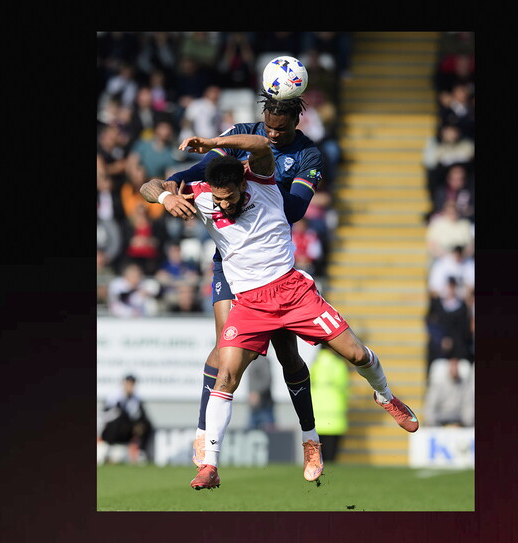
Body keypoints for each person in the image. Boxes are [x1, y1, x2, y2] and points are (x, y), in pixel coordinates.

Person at [141, 133, 419, 490]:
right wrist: (165, 197)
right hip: (250, 304)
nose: (225, 206)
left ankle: (385, 396)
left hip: (292, 292)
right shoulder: (205, 196)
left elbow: (258, 145)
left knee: (356, 354)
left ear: (244, 182)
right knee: (226, 377)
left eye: (230, 198)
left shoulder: (262, 180)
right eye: (219, 200)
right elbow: (149, 185)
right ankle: (210, 465)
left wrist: (212, 141)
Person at [162, 92, 326, 474]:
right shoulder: (240, 133)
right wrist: (172, 188)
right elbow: (203, 171)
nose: (272, 132)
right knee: (222, 351)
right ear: (263, 115)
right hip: (229, 259)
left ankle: (310, 439)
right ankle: (204, 434)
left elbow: (295, 209)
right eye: (268, 125)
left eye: (280, 129)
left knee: (288, 355)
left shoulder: (308, 155)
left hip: (270, 264)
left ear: (294, 124)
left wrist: (254, 188)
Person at [309, 346, 350, 463]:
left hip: (317, 419)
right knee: (331, 460)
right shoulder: (339, 365)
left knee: (317, 460)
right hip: (335, 419)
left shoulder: (314, 365)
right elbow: (345, 388)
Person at [100, 375, 154, 464]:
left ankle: (141, 453)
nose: (130, 387)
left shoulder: (136, 399)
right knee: (117, 420)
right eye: (128, 384)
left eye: (132, 385)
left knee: (146, 424)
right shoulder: (113, 397)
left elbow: (141, 416)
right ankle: (107, 451)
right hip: (111, 429)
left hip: (127, 430)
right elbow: (105, 415)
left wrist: (139, 425)